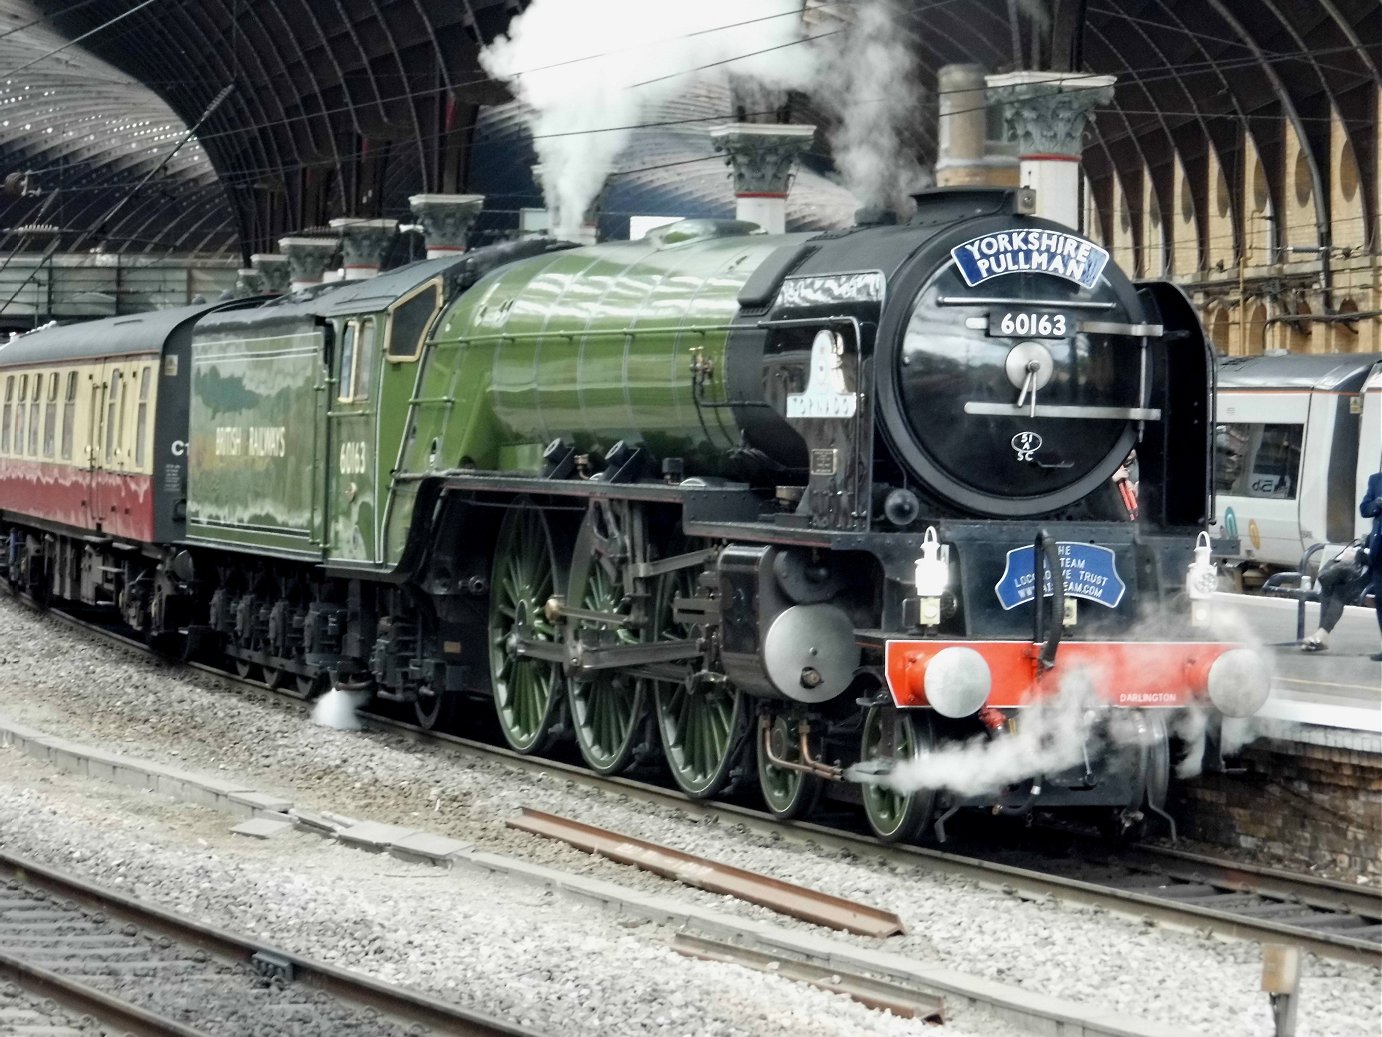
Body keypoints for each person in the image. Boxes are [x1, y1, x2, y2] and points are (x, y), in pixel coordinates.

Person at [1299, 540, 1371, 652]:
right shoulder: (1377, 524)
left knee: (1341, 587)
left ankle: (1322, 633)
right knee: (1331, 583)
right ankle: (1322, 634)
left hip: (1373, 571)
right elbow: (1368, 542)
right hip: (1361, 567)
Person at [1363, 470, 1382, 661]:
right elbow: (1364, 509)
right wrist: (1376, 505)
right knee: (1381, 601)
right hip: (1379, 551)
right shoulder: (1375, 480)